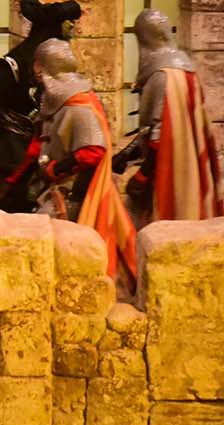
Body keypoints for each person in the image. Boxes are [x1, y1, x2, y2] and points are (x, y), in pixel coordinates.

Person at [9, 39, 138, 290]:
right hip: (51, 187)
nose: (35, 69)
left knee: (53, 245)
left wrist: (55, 170)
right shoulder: (58, 100)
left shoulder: (79, 107)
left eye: (37, 64)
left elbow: (92, 151)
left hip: (70, 192)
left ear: (44, 66)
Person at [0, 0, 82, 211]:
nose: (73, 30)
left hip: (43, 152)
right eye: (68, 24)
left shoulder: (59, 63)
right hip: (8, 152)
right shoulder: (14, 64)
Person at [113, 8, 223, 225]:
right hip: (188, 162)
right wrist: (127, 154)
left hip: (168, 167)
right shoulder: (187, 69)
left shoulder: (161, 75)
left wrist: (142, 176)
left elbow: (159, 133)